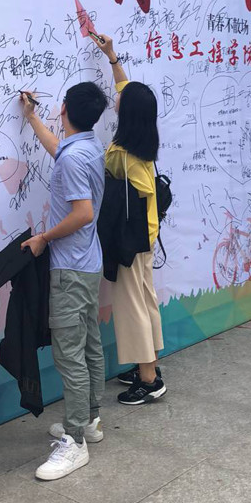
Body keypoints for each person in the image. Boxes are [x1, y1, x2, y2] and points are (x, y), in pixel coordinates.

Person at [19, 82, 108, 480]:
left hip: (70, 267)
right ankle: (89, 419)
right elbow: (59, 149)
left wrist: (44, 237)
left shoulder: (74, 157)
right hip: (87, 263)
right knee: (88, 345)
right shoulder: (87, 146)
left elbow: (82, 213)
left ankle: (75, 441)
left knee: (70, 354)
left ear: (65, 109)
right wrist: (32, 118)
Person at [94, 34, 166, 405]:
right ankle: (147, 364)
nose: (116, 98)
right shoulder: (142, 142)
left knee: (132, 307)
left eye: (121, 100)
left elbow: (135, 198)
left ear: (129, 113)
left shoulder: (122, 154)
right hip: (146, 237)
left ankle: (149, 379)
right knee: (145, 300)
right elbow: (127, 89)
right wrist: (112, 57)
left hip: (131, 241)